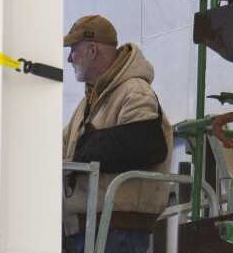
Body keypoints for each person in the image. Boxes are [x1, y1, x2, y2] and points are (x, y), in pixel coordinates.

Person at [62, 15, 172, 253]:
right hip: (92, 229)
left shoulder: (135, 91)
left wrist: (85, 149)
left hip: (116, 231)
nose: (70, 58)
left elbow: (145, 144)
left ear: (92, 50)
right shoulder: (87, 104)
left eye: (74, 50)